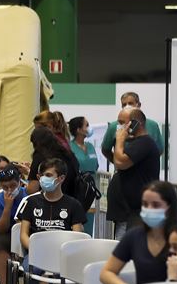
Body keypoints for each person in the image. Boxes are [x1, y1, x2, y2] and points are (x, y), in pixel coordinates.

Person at [14, 158, 86, 284]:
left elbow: (78, 235)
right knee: (31, 267)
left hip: (63, 255)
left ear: (60, 178)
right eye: (41, 175)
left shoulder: (73, 205)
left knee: (62, 272)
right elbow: (23, 234)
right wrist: (37, 249)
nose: (42, 179)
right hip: (37, 253)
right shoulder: (31, 203)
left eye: (48, 175)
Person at [106, 108, 160, 240]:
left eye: (121, 122)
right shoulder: (136, 143)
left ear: (135, 123)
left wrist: (119, 140)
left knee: (127, 255)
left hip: (136, 215)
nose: (118, 127)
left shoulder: (145, 143)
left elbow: (120, 161)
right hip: (127, 214)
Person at [101, 92, 164, 163]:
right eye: (124, 104)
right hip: (123, 169)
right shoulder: (114, 126)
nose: (127, 106)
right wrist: (118, 163)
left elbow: (159, 150)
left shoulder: (152, 125)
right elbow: (105, 150)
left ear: (138, 105)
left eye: (130, 103)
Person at [69, 116, 99, 236]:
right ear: (78, 129)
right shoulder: (70, 147)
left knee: (90, 219)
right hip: (77, 188)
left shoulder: (91, 146)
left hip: (91, 188)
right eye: (86, 125)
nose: (89, 127)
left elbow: (95, 165)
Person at [27, 126, 78, 198]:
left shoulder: (40, 157)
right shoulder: (69, 154)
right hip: (72, 198)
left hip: (49, 202)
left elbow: (32, 189)